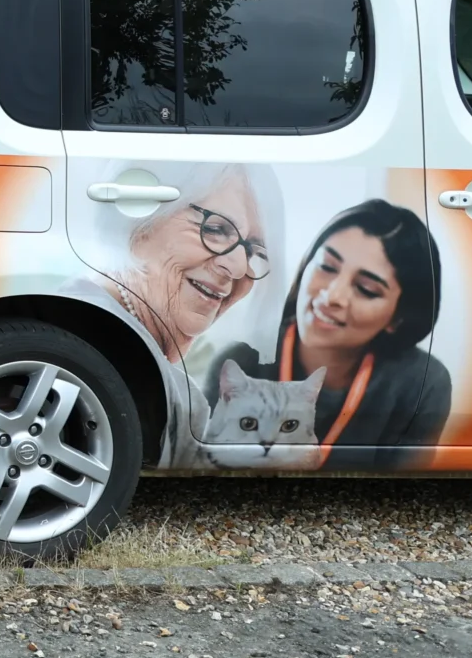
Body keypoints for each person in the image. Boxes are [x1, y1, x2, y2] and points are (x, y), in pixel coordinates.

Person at [210, 199, 450, 467]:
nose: (332, 296)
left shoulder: (421, 383)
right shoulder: (242, 361)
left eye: (366, 289)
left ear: (398, 318)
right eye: (326, 266)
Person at [77, 163, 280, 463]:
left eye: (253, 251)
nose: (238, 267)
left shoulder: (183, 393)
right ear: (141, 224)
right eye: (216, 229)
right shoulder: (82, 332)